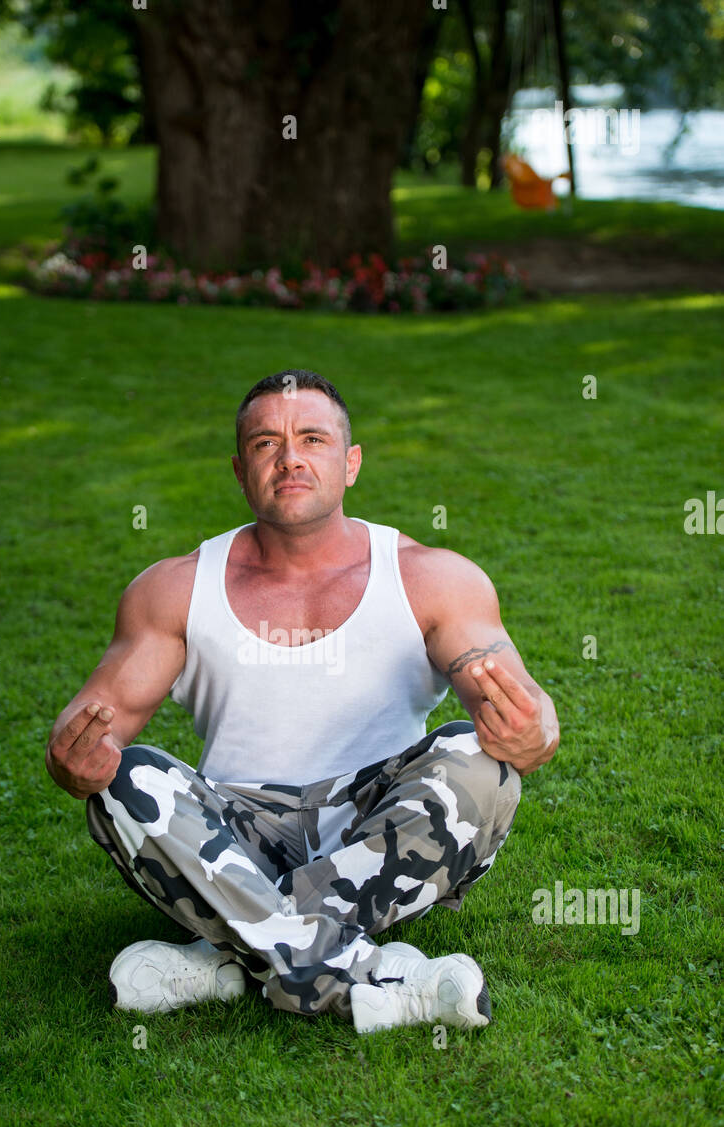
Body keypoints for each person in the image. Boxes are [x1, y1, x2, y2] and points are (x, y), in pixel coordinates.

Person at [45, 370, 559, 1035]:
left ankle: (225, 954)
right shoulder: (173, 589)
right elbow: (90, 731)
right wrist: (73, 759)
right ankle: (383, 979)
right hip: (233, 837)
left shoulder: (430, 577)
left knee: (477, 760)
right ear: (239, 469)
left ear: (349, 464)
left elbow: (527, 711)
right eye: (266, 443)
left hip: (376, 832)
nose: (289, 457)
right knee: (129, 778)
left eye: (311, 439)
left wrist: (531, 731)